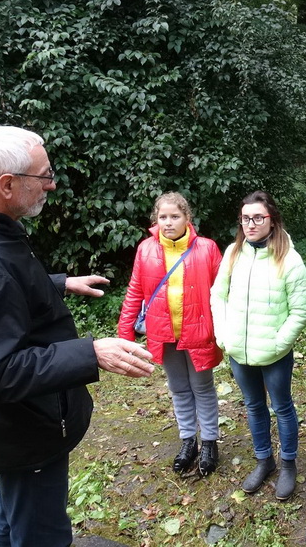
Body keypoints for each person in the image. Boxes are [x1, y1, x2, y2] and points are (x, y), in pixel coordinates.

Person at [0, 125, 154, 547]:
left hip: (8, 429)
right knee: (41, 534)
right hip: (22, 430)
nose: (52, 184)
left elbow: (0, 294)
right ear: (7, 185)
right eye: (44, 175)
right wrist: (91, 353)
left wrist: (56, 283)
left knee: (12, 517)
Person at [210, 191, 306, 501]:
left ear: (272, 220)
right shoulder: (233, 253)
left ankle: (288, 464)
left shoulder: (289, 259)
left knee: (282, 407)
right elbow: (218, 295)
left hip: (275, 353)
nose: (251, 224)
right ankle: (264, 460)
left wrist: (279, 344)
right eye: (245, 218)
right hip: (239, 351)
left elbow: (300, 311)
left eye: (258, 217)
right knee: (254, 406)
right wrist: (224, 336)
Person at [117, 192, 224, 477]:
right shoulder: (146, 249)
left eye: (175, 216)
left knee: (202, 387)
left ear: (187, 218)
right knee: (178, 388)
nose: (168, 222)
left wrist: (227, 329)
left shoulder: (207, 248)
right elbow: (135, 291)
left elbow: (223, 292)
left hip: (199, 332)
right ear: (156, 219)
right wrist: (125, 334)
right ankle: (188, 441)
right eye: (162, 217)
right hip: (164, 334)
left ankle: (210, 442)